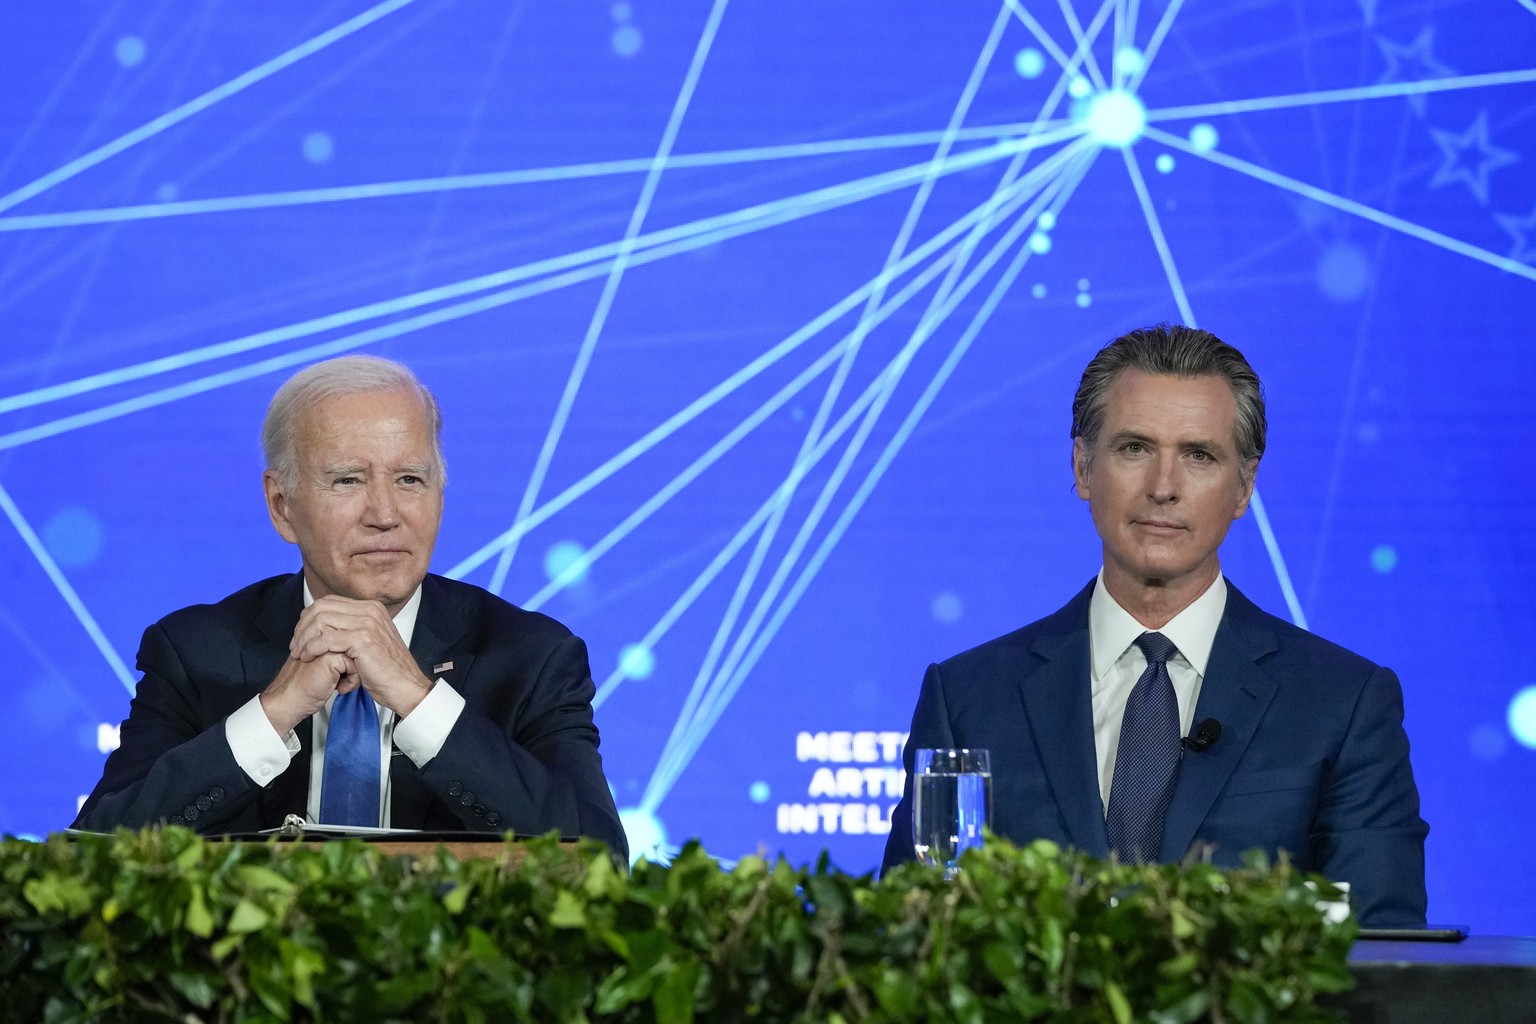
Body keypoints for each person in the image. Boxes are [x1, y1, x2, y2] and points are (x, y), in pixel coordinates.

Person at [880, 324, 1427, 926]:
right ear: (1084, 468)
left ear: (1243, 487)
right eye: (1135, 448)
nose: (1163, 488)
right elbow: (916, 939)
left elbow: (1382, 952)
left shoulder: (1342, 704)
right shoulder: (967, 699)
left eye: (1199, 456)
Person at [74, 355, 627, 858]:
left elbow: (599, 859)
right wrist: (273, 712)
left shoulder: (531, 657)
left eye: (410, 479)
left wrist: (417, 699)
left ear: (440, 495)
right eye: (348, 480)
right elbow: (93, 852)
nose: (384, 514)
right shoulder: (196, 653)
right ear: (282, 505)